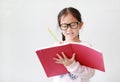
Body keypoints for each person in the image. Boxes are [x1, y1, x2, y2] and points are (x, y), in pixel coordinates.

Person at [53, 7, 95, 82]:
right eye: (64, 25)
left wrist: (72, 65)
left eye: (73, 24)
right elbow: (52, 71)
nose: (69, 29)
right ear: (60, 27)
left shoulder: (86, 46)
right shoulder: (56, 46)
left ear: (80, 25)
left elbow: (90, 73)